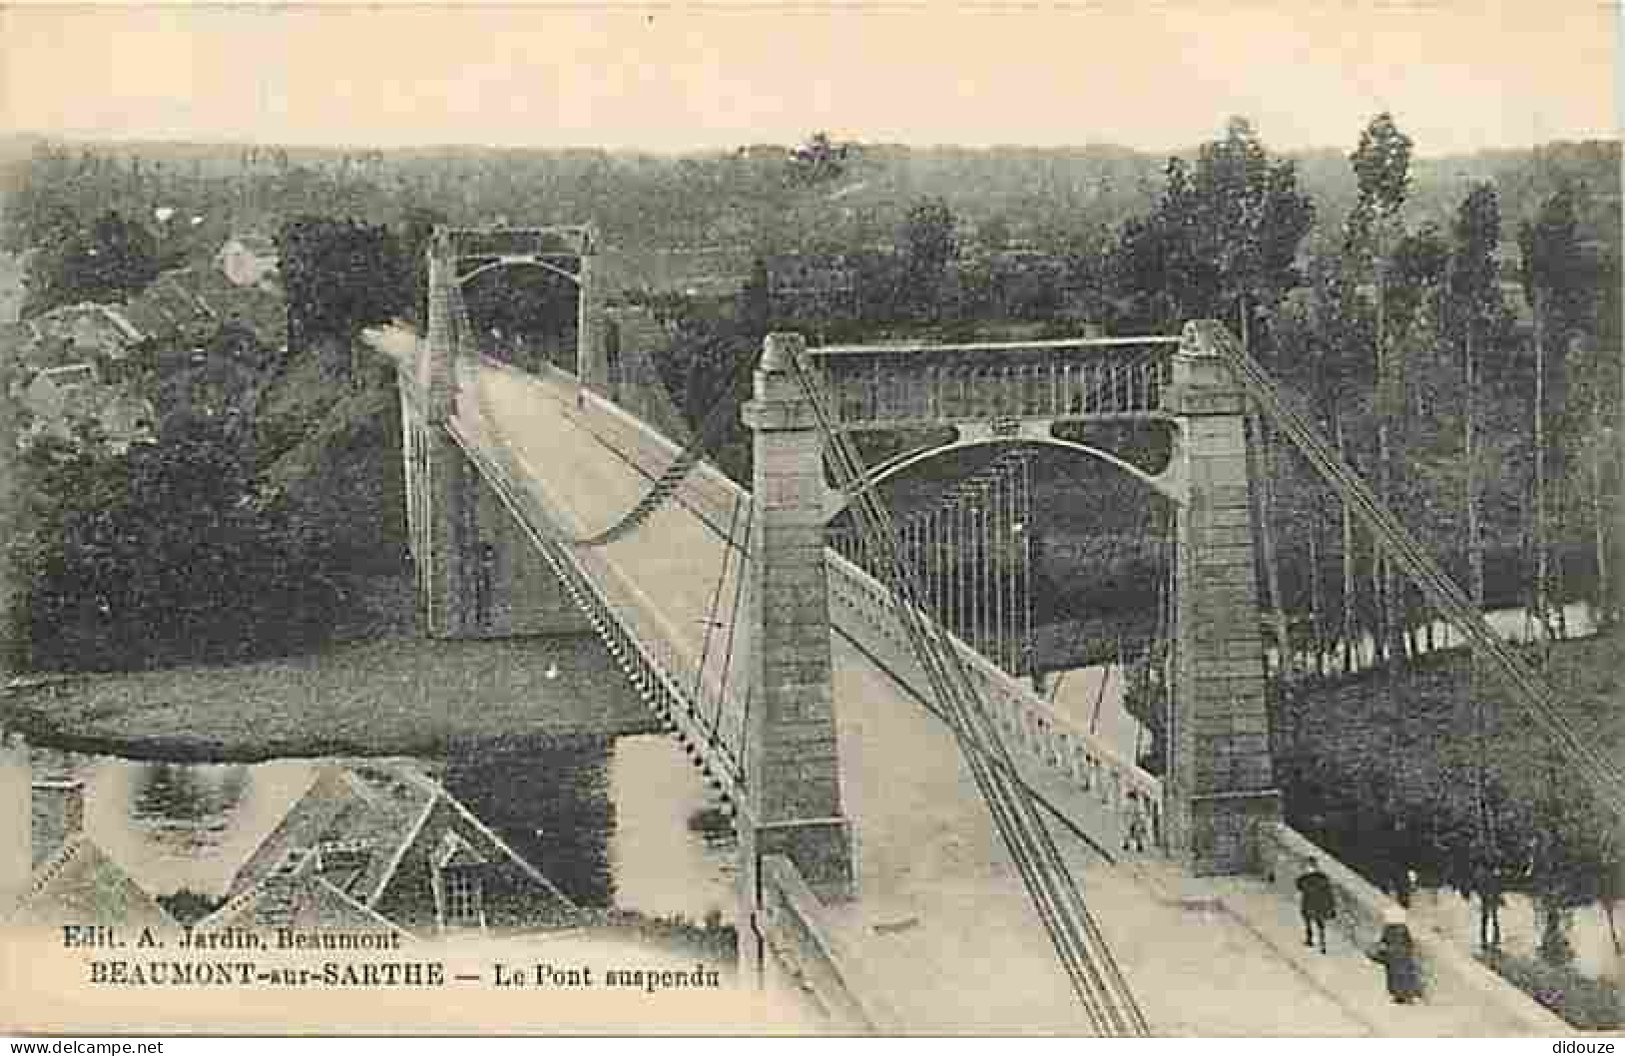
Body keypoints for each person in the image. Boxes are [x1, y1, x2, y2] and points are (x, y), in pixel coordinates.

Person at [1371, 906, 1424, 1004]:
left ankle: (1402, 996)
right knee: (1406, 975)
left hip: (1394, 955)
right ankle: (1408, 995)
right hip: (1402, 955)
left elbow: (1383, 942)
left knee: (1397, 976)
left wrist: (1381, 951)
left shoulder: (1388, 929)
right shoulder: (1402, 928)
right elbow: (1409, 941)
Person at [1296, 857, 1335, 953]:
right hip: (1320, 905)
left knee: (1308, 922)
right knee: (1320, 925)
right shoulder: (1323, 878)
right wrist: (1331, 906)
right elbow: (1329, 893)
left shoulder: (1304, 879)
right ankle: (1322, 945)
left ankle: (1310, 940)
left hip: (1309, 904)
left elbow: (1300, 886)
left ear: (1309, 867)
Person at [1477, 863, 1504, 951]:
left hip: (1492, 896)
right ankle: (1485, 937)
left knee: (1493, 917)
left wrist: (1498, 896)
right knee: (1487, 917)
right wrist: (1485, 895)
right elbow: (1480, 887)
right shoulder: (1483, 873)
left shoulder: (1494, 872)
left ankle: (1495, 936)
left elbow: (1499, 886)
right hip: (1487, 896)